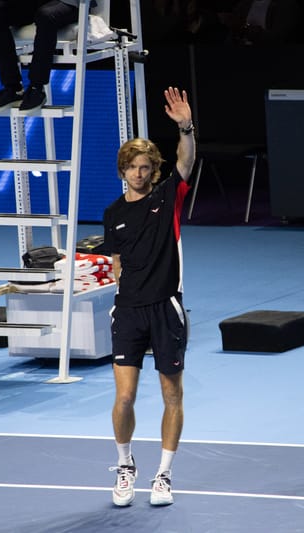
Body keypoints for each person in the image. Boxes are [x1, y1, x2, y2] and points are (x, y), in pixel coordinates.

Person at [102, 87, 196, 507]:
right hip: (128, 312)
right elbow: (118, 260)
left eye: (145, 167)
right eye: (132, 167)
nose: (139, 173)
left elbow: (186, 160)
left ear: (153, 170)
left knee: (171, 394)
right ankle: (125, 464)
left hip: (166, 310)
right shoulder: (113, 214)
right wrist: (124, 294)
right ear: (122, 170)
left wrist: (185, 126)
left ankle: (163, 475)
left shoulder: (168, 196)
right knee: (124, 397)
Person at [0, 0, 96, 111]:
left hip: (70, 3)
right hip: (33, 4)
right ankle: (13, 88)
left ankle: (36, 88)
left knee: (45, 16)